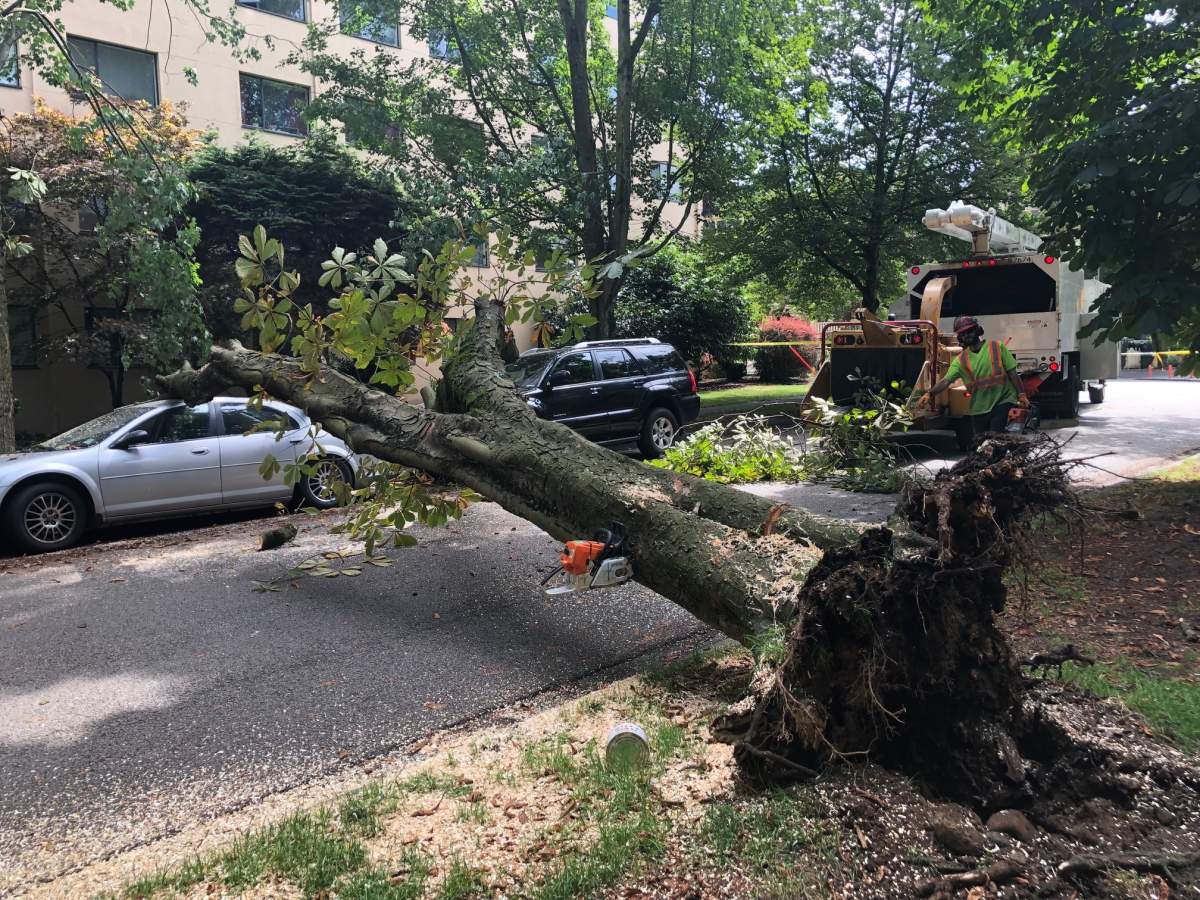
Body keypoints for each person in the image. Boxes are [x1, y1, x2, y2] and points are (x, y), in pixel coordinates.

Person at [920, 315, 1030, 437]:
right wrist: (929, 394)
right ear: (959, 337)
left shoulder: (997, 347)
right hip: (979, 408)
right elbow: (946, 381)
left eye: (969, 331)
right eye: (962, 334)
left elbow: (1012, 373)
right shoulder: (961, 360)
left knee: (994, 436)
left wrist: (1021, 394)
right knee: (981, 443)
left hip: (1002, 400)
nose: (966, 335)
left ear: (978, 331)